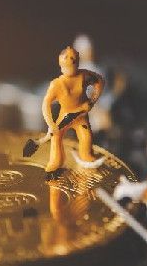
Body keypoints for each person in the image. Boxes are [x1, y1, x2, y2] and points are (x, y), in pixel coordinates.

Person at [42, 45, 105, 179]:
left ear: (77, 62)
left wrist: (92, 101)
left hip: (81, 117)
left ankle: (86, 156)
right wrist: (51, 124)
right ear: (61, 65)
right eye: (67, 59)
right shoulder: (56, 84)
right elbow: (46, 104)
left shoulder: (84, 76)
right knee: (56, 137)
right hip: (65, 116)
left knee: (86, 137)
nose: (70, 61)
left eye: (73, 59)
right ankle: (55, 163)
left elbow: (99, 81)